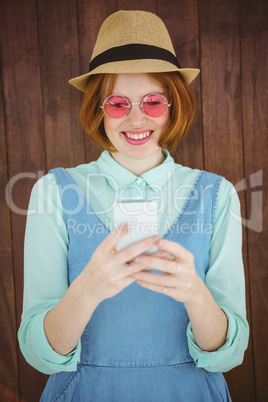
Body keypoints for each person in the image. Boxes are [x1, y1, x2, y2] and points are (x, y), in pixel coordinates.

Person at [18, 10, 249, 402]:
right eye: (118, 103)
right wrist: (87, 290)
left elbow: (227, 355)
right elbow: (40, 354)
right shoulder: (53, 192)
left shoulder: (219, 194)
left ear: (172, 106)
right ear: (98, 109)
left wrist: (195, 293)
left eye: (153, 101)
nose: (137, 118)